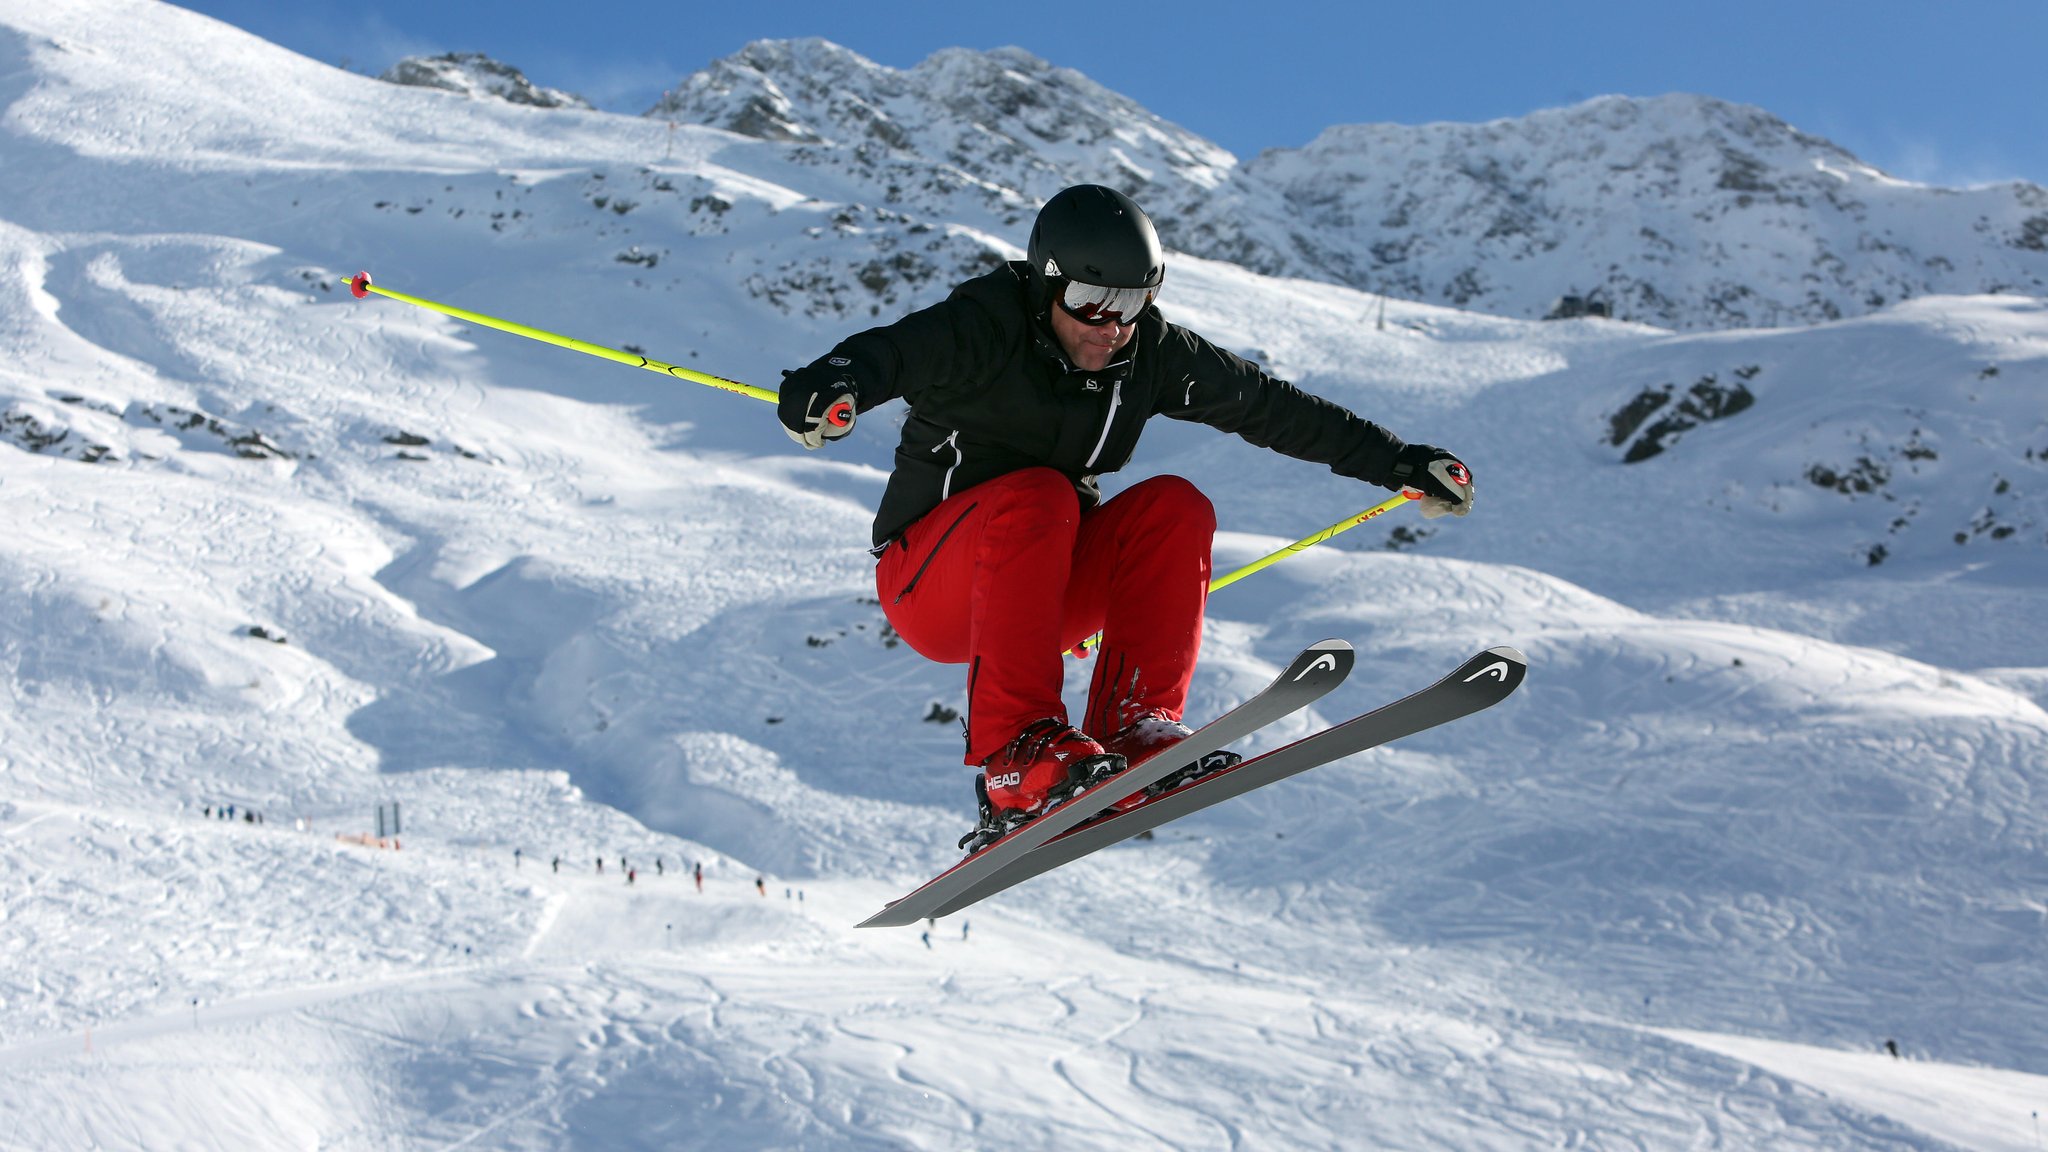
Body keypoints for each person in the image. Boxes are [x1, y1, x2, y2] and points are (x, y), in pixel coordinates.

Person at [777, 184, 1473, 845]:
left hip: (1038, 593)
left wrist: (1399, 462)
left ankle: (1135, 727)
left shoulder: (1150, 355)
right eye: (1090, 301)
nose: (1112, 325)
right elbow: (892, 353)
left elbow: (1268, 407)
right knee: (1041, 494)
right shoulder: (984, 325)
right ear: (1048, 284)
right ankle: (1016, 753)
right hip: (926, 586)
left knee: (1175, 506)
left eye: (1133, 301)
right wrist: (834, 382)